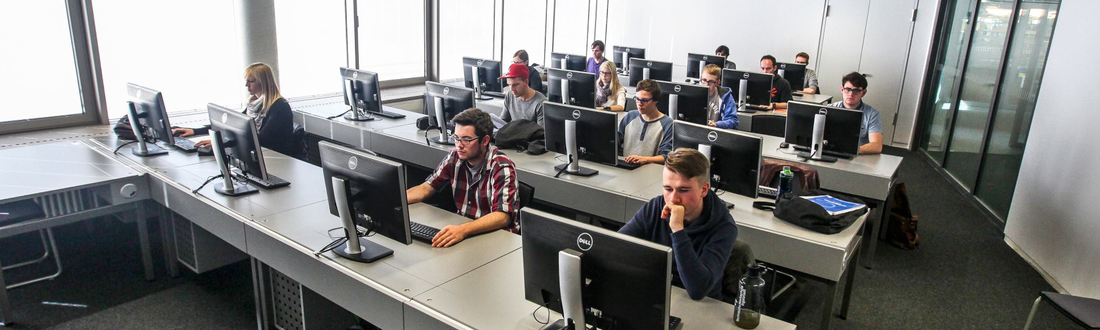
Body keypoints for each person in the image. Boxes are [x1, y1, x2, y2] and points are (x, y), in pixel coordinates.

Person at [619, 148, 738, 301]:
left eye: (683, 190)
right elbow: (618, 245)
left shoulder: (723, 226)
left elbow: (698, 290)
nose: (673, 199)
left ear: (704, 189)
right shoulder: (656, 206)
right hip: (656, 290)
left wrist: (677, 230)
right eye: (668, 189)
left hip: (700, 304)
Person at [406, 108, 520, 247]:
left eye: (466, 140)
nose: (459, 145)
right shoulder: (454, 157)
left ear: (485, 141)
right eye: (456, 138)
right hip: (467, 231)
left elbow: (502, 216)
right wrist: (395, 199)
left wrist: (463, 230)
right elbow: (426, 188)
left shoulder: (501, 167)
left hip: (496, 237)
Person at [173, 62, 293, 155]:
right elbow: (233, 126)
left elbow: (261, 139)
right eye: (246, 81)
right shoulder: (253, 104)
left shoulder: (279, 106)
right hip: (259, 154)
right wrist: (195, 131)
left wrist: (221, 143)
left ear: (263, 82)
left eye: (250, 81)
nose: (247, 85)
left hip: (276, 158)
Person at [619, 79, 673, 165]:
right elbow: (615, 142)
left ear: (656, 100)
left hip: (650, 170)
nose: (639, 103)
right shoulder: (630, 116)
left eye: (644, 100)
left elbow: (666, 156)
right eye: (637, 99)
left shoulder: (668, 124)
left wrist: (645, 159)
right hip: (627, 166)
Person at [830, 72, 883, 154]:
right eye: (847, 89)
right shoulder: (830, 109)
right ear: (842, 89)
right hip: (831, 151)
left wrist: (851, 150)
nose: (851, 94)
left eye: (856, 91)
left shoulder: (872, 114)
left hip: (858, 155)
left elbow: (877, 146)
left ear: (864, 93)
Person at [699, 64, 738, 129]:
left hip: (716, 133)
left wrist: (717, 124)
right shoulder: (694, 93)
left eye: (711, 81)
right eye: (704, 80)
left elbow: (733, 121)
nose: (706, 84)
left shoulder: (725, 96)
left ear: (718, 82)